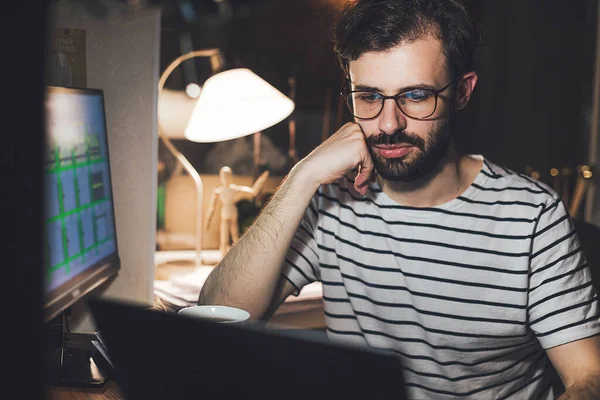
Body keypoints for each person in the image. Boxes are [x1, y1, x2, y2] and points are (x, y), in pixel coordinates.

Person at [198, 0, 600, 398]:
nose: (388, 124)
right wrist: (302, 176)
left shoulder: (532, 217)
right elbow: (217, 316)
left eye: (415, 96)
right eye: (369, 97)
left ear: (462, 91)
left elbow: (588, 377)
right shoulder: (330, 200)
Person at [205, 166, 269, 255]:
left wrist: (261, 180)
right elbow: (212, 207)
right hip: (225, 214)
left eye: (228, 175)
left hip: (232, 214)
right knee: (224, 240)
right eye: (224, 176)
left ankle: (237, 255)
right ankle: (222, 257)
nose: (226, 178)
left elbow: (252, 192)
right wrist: (208, 219)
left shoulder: (235, 189)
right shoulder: (218, 191)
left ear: (231, 176)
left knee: (235, 238)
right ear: (220, 177)